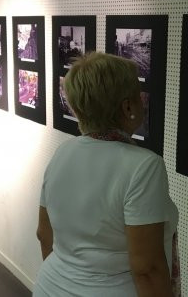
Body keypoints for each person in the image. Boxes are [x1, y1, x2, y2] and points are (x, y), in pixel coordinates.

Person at [34, 52, 179, 297]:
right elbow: (148, 269)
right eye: (138, 93)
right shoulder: (144, 166)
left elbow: (43, 233)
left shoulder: (62, 152)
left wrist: (69, 279)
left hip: (50, 287)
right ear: (128, 106)